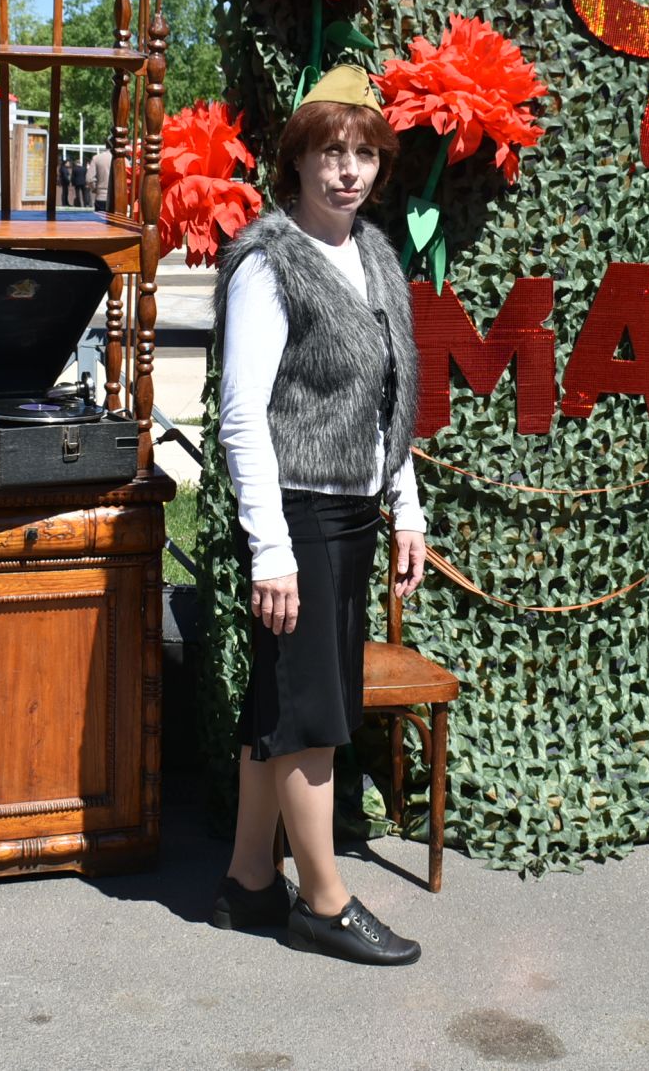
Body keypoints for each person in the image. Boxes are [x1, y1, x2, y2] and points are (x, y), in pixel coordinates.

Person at [210, 65, 426, 966]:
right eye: (331, 151)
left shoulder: (375, 253)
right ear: (296, 160)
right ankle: (325, 902)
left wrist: (405, 505)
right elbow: (240, 413)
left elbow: (392, 395)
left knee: (283, 700)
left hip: (351, 515)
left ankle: (248, 881)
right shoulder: (269, 261)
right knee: (313, 715)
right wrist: (270, 550)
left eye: (365, 152)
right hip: (293, 516)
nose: (349, 170)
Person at [88, 146, 112, 212]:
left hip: (101, 196)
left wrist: (94, 189)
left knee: (100, 221)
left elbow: (89, 178)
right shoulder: (123, 159)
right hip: (118, 198)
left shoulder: (97, 158)